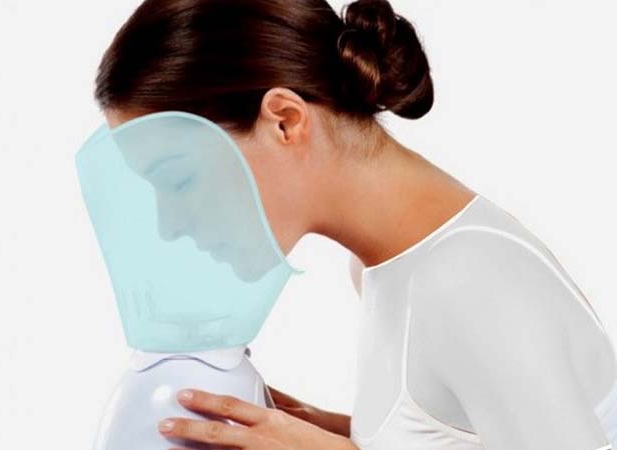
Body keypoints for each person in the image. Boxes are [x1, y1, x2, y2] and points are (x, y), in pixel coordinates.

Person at [92, 0, 617, 448]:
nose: (170, 226)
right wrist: (332, 430)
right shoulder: (381, 265)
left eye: (179, 180)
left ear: (285, 121)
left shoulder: (468, 280)